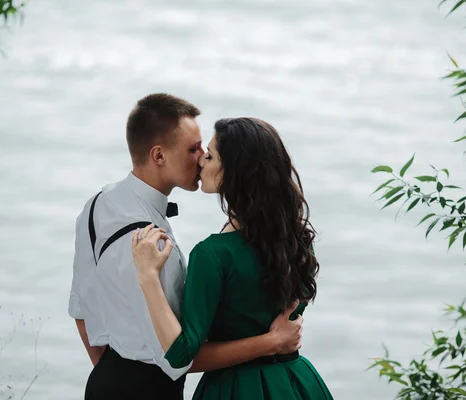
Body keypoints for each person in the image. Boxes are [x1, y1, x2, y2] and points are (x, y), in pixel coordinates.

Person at [68, 95, 304, 400]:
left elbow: (81, 309)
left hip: (109, 381)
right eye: (194, 149)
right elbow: (178, 357)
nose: (202, 156)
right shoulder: (151, 247)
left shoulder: (97, 205)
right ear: (159, 156)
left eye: (205, 148)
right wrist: (271, 342)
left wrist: (111, 377)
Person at [132, 117, 334, 399]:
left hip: (235, 390)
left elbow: (180, 354)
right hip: (296, 383)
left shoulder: (212, 254)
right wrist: (272, 341)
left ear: (235, 172)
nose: (201, 160)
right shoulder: (298, 240)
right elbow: (288, 328)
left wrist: (148, 276)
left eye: (211, 156)